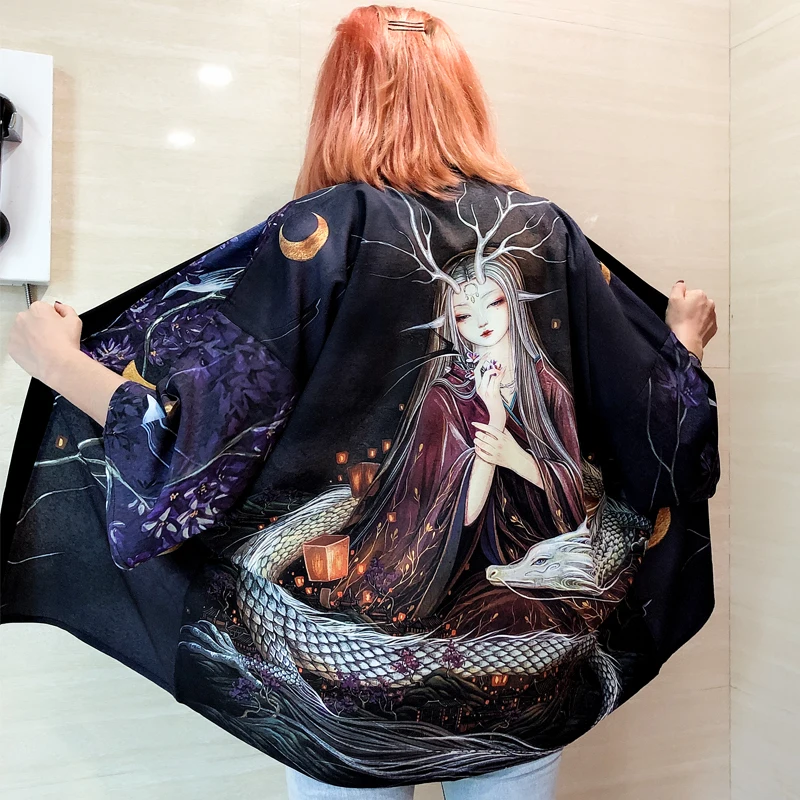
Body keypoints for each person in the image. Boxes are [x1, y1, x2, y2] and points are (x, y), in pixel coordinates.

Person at [3, 5, 719, 799]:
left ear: (340, 98)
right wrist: (681, 347)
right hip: (531, 681)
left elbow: (196, 443)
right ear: (464, 96)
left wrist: (59, 364)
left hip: (347, 698)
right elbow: (652, 425)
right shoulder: (547, 231)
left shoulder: (323, 230)